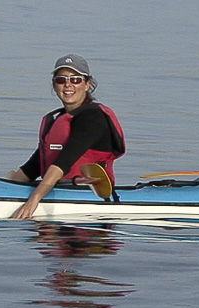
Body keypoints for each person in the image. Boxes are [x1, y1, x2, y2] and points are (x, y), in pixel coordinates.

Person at [8, 54, 126, 219]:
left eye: (76, 79)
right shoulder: (59, 120)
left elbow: (64, 162)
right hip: (60, 190)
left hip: (90, 199)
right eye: (61, 80)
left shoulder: (93, 117)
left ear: (87, 85)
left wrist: (35, 198)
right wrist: (8, 186)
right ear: (54, 85)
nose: (68, 85)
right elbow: (32, 167)